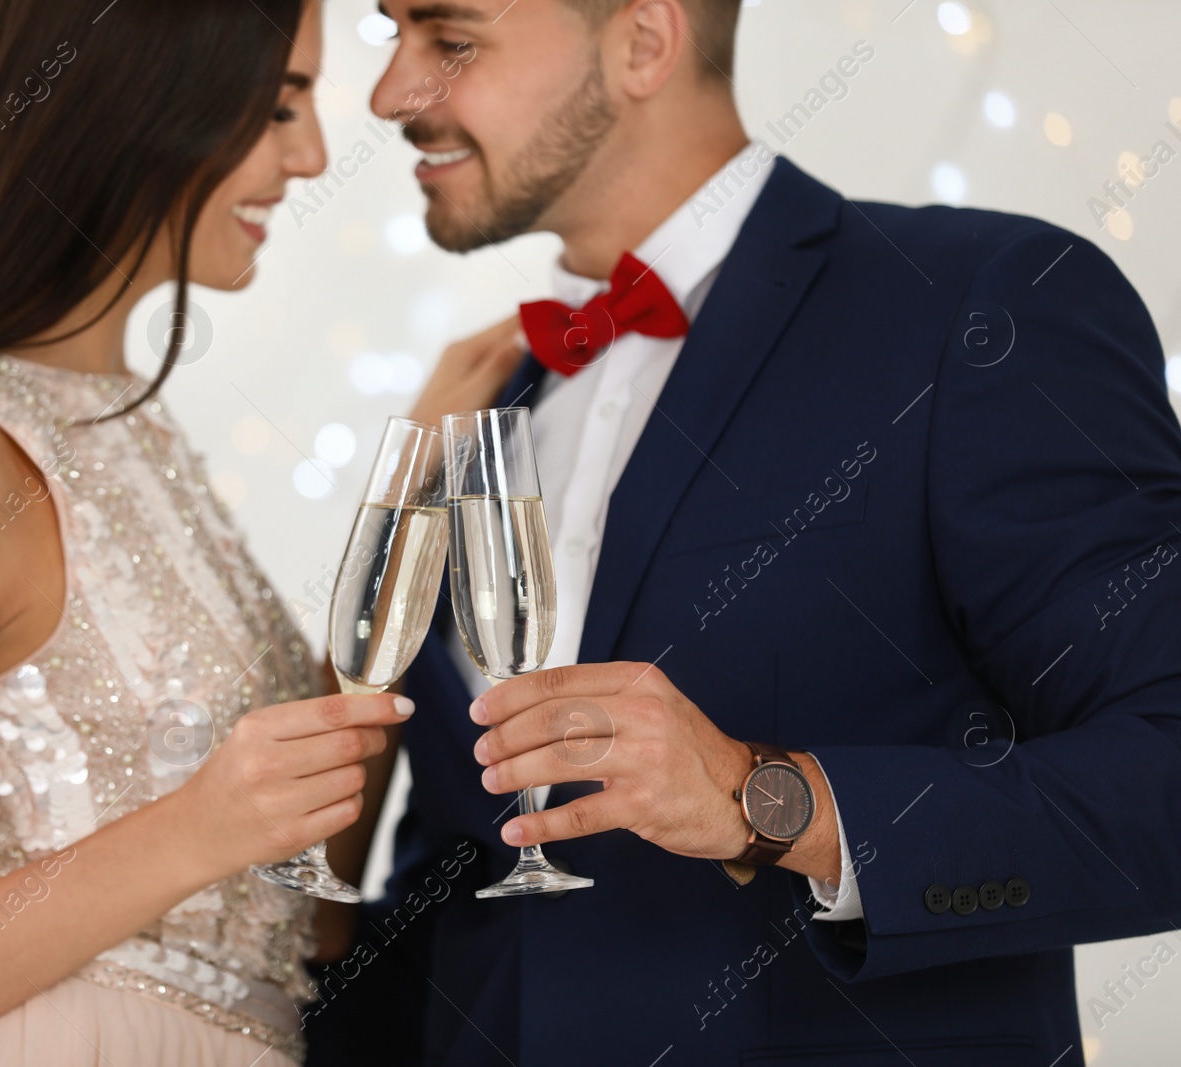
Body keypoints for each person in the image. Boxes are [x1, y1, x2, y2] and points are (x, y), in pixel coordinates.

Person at [304, 1, 1181, 1064]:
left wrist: (766, 798)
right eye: (389, 39)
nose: (393, 93)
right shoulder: (490, 403)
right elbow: (459, 892)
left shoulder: (974, 308)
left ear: (643, 41)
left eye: (449, 41)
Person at [0, 3, 523, 1065]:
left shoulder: (132, 428)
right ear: (132, 89)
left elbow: (308, 918)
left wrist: (404, 512)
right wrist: (192, 829)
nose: (308, 155)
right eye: (278, 104)